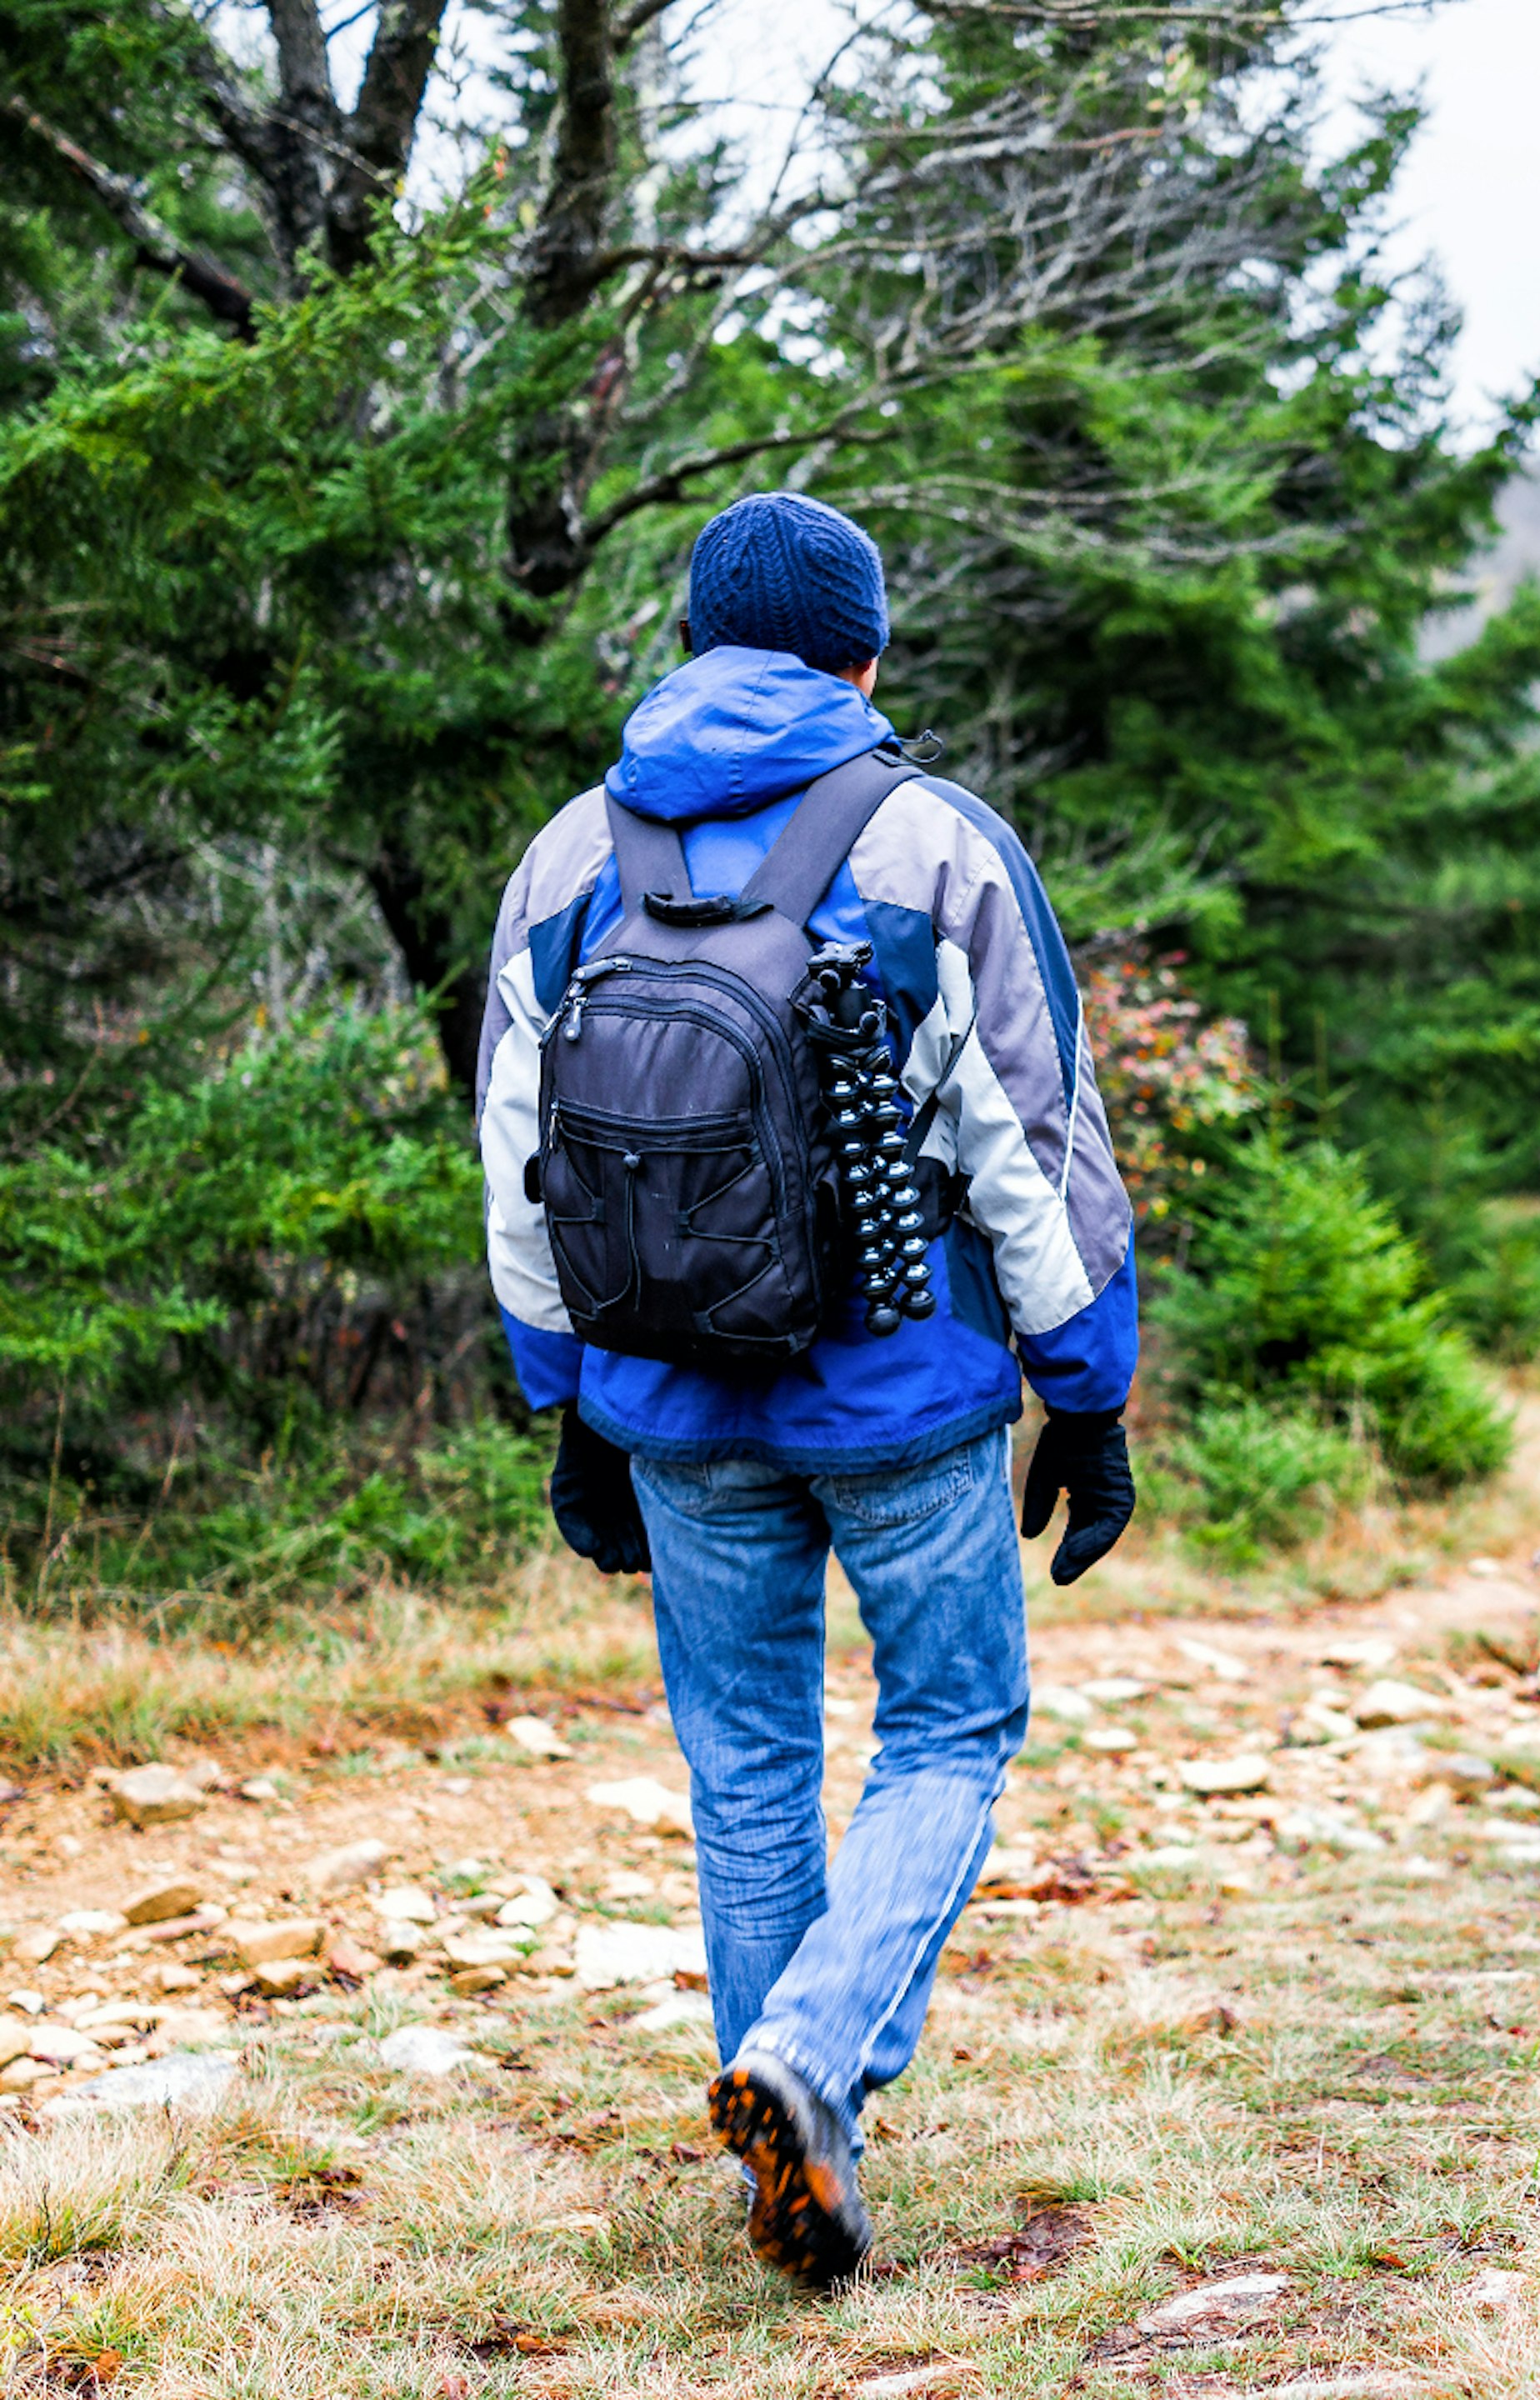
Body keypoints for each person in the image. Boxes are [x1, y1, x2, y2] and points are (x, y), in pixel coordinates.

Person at [473, 492, 1138, 2286]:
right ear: (867, 651)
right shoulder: (934, 843)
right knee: (948, 1730)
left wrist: (567, 1404)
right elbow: (1032, 1148)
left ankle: (794, 2133)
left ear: (694, 638)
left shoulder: (569, 854)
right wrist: (1087, 1392)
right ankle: (810, 2067)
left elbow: (516, 1159)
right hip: (903, 1400)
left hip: (668, 1406)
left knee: (747, 1761)